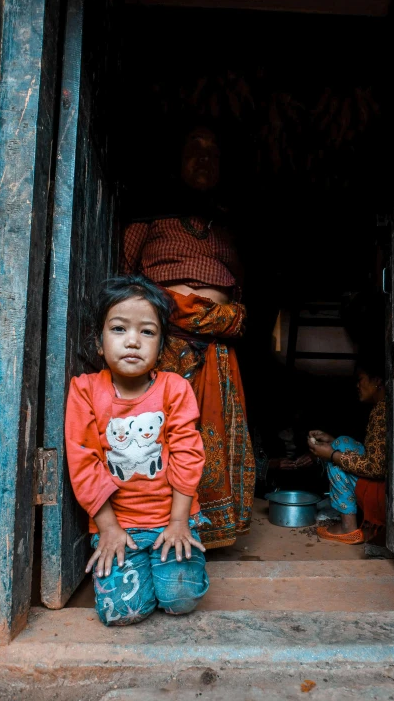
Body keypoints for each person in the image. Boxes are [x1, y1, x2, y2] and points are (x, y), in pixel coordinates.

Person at [122, 125, 255, 549]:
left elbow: (242, 292)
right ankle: (155, 530)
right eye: (194, 150)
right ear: (175, 161)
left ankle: (209, 532)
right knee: (159, 435)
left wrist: (222, 316)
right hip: (162, 343)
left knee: (211, 436)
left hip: (217, 345)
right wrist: (170, 309)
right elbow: (125, 281)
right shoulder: (148, 217)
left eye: (213, 153)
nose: (204, 159)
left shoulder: (227, 225)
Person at [65, 275, 209, 626]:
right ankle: (140, 563)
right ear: (99, 342)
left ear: (161, 349)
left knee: (181, 600)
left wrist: (178, 522)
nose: (133, 341)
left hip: (171, 520)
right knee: (123, 613)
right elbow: (84, 462)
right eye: (118, 329)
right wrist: (109, 527)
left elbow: (187, 455)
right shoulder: (85, 390)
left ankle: (161, 564)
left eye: (147, 332)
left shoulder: (174, 388)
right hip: (116, 525)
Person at [307, 353, 386, 544]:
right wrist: (333, 442)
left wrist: (332, 455)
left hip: (384, 495)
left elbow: (376, 467)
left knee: (335, 456)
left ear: (376, 380)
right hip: (385, 487)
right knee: (340, 442)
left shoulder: (382, 411)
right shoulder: (383, 407)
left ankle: (348, 528)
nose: (357, 386)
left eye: (360, 379)